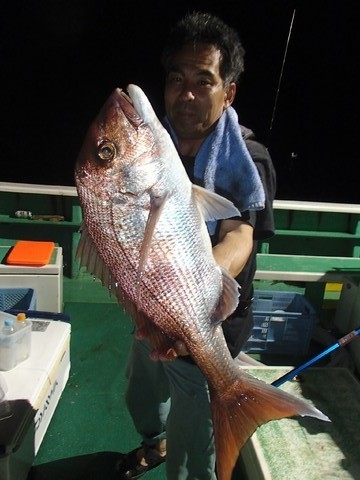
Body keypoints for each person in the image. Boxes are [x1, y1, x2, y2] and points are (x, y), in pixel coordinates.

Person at [116, 11, 276, 480]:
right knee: (140, 394)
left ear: (229, 92)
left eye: (203, 81)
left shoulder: (248, 159)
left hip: (208, 321)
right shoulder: (151, 150)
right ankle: (154, 438)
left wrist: (195, 287)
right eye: (176, 79)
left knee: (192, 460)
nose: (185, 94)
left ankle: (197, 437)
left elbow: (239, 234)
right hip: (151, 312)